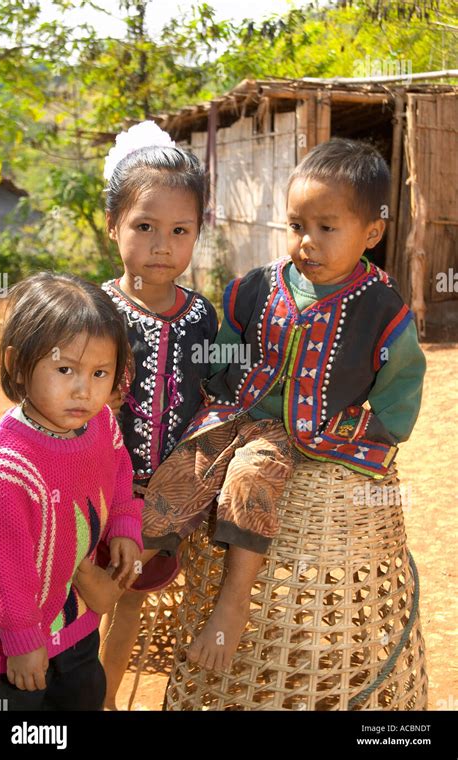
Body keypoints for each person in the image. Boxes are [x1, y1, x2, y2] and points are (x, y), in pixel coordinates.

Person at [136, 137, 427, 673]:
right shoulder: (257, 287)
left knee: (250, 476)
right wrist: (216, 386)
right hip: (237, 413)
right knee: (186, 464)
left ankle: (234, 600)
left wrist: (373, 430)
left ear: (372, 233)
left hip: (301, 431)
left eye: (326, 227)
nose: (306, 242)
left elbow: (403, 376)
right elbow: (225, 343)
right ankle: (147, 560)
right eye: (297, 226)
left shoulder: (381, 305)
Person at [94, 121, 218, 709]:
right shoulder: (94, 312)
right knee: (110, 600)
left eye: (179, 230)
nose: (161, 245)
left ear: (198, 234)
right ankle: (99, 700)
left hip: (184, 494)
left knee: (169, 600)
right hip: (106, 494)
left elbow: (218, 394)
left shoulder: (205, 318)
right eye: (144, 227)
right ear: (113, 226)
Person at [0, 272, 143, 711]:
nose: (83, 389)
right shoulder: (8, 468)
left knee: (84, 697)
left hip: (76, 623)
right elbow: (3, 569)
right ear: (19, 364)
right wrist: (20, 639)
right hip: (15, 646)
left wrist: (126, 528)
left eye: (99, 373)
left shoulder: (101, 425)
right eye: (65, 369)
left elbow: (119, 475)